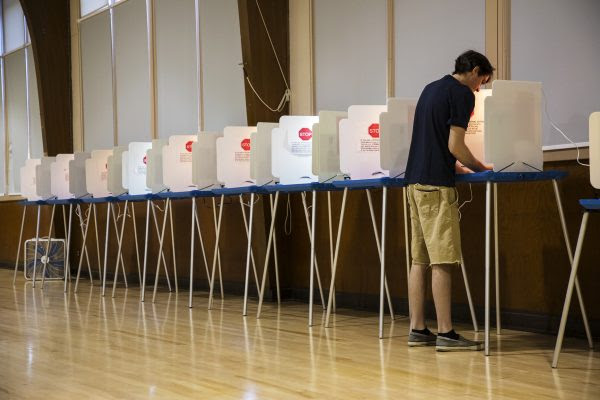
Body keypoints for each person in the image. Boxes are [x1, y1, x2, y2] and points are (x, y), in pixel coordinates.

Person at [404, 50, 494, 351]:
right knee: (443, 258)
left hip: (414, 182)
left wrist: (455, 165)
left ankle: (418, 329)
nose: (479, 89)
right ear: (475, 71)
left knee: (419, 259)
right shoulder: (462, 93)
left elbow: (433, 140)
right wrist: (481, 168)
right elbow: (455, 144)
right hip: (435, 186)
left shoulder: (430, 89)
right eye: (482, 81)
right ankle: (446, 333)